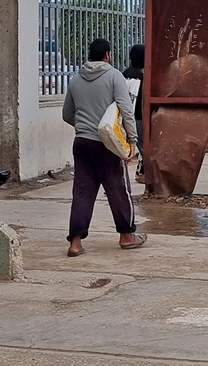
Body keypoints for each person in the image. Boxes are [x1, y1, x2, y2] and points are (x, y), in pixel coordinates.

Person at [62, 38, 144, 255]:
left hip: (82, 143)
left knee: (82, 192)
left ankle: (75, 243)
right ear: (107, 54)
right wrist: (132, 142)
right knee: (118, 189)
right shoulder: (114, 76)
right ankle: (127, 236)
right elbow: (126, 110)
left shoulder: (75, 79)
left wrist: (84, 127)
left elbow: (67, 114)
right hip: (107, 145)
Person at [121, 44, 146, 183]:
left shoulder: (123, 75)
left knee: (122, 150)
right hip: (139, 118)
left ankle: (119, 179)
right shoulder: (144, 78)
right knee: (144, 149)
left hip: (123, 119)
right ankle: (145, 176)